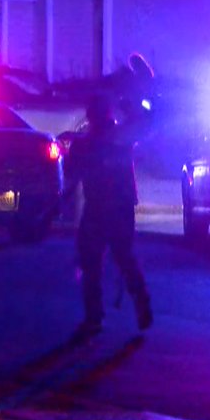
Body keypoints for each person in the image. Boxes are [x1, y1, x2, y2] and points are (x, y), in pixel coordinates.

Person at [63, 56, 156, 337]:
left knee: (95, 261)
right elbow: (147, 119)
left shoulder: (99, 140)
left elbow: (71, 177)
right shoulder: (118, 136)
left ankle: (97, 316)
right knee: (119, 257)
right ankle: (139, 306)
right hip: (116, 207)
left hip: (104, 208)